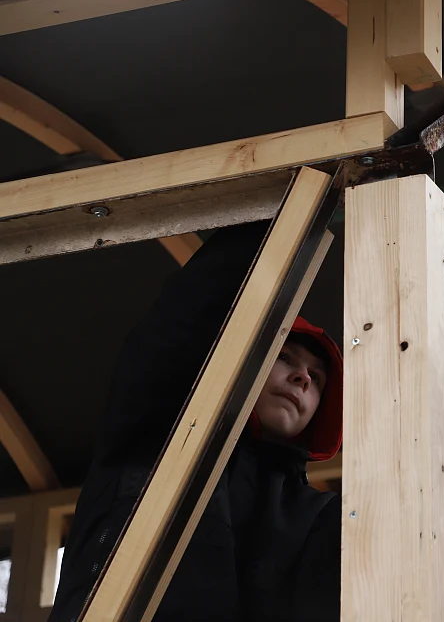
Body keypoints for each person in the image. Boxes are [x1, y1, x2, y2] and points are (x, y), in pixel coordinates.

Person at [50, 221, 343, 622]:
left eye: (318, 377)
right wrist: (288, 212)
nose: (303, 377)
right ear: (243, 361)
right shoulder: (163, 431)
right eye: (285, 357)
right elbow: (182, 321)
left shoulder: (319, 516)